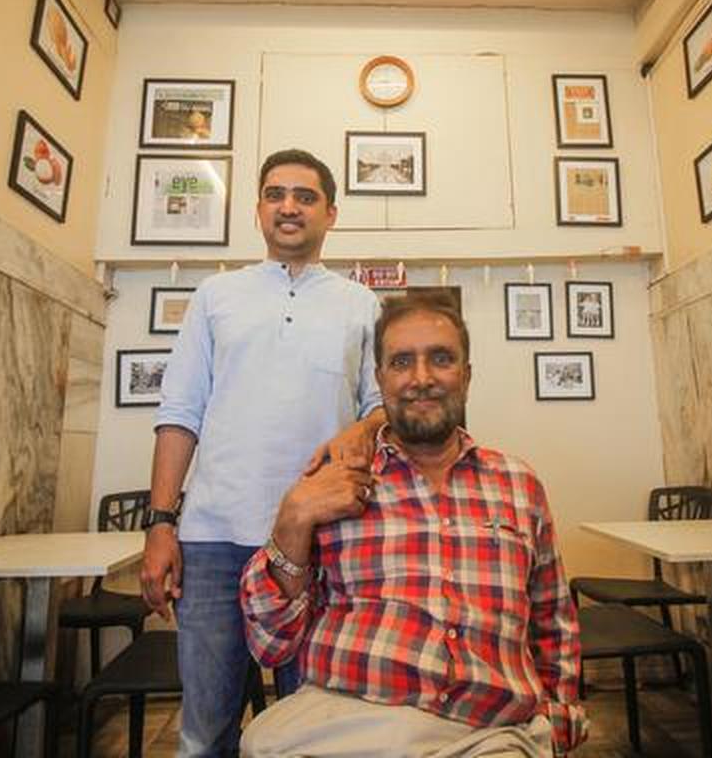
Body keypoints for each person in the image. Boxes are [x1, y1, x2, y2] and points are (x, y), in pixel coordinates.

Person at [240, 292, 588, 757]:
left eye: (441, 359)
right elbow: (270, 645)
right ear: (380, 379)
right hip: (345, 726)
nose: (421, 378)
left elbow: (553, 621)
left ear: (466, 376)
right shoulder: (333, 484)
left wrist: (560, 718)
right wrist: (292, 519)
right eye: (402, 362)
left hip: (488, 734)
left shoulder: (519, 485)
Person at [140, 149, 388, 757]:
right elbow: (180, 413)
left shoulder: (361, 304)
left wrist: (364, 427)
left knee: (313, 734)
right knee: (205, 734)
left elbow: (384, 407)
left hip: (324, 540)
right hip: (214, 541)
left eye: (305, 196)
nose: (289, 206)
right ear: (257, 210)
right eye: (275, 194)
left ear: (331, 213)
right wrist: (161, 524)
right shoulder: (215, 295)